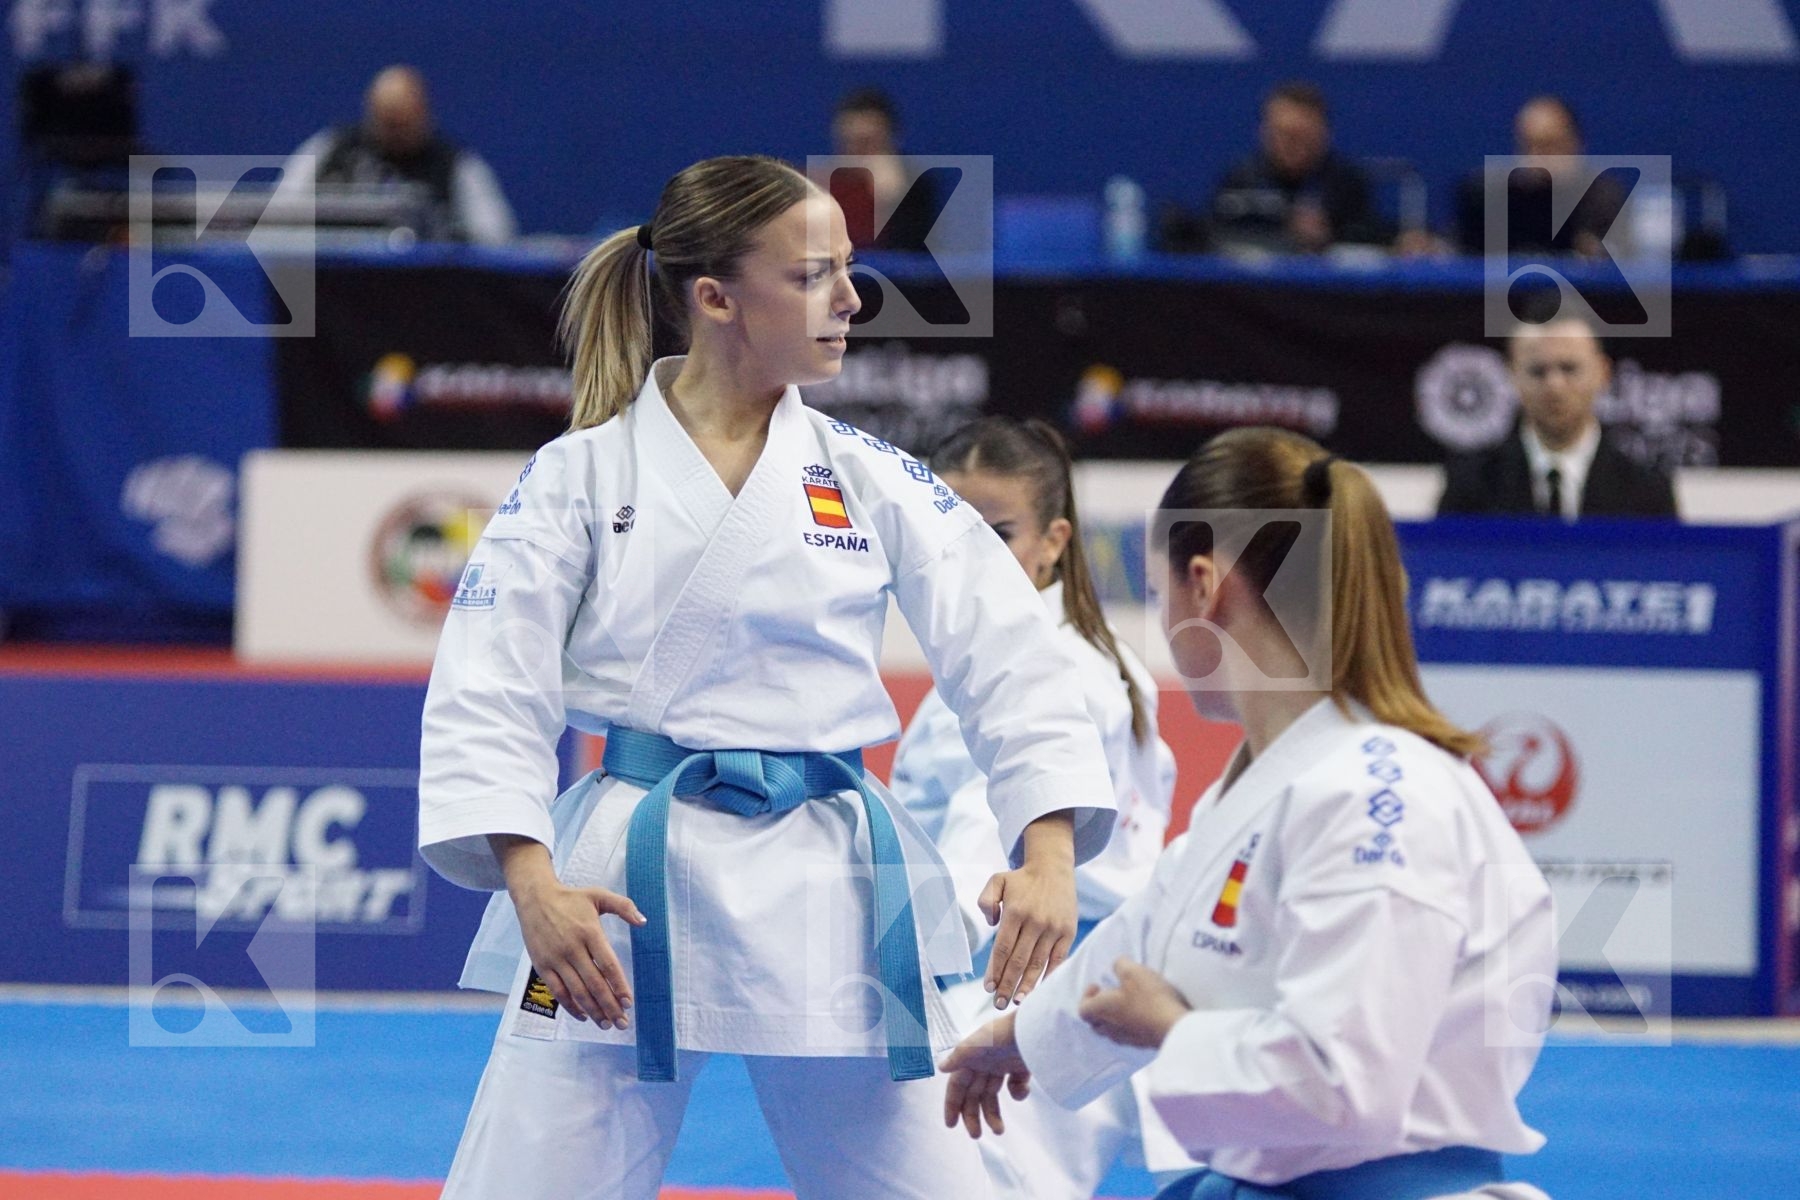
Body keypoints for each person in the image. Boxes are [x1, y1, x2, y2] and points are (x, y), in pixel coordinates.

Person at [418, 155, 1118, 1200]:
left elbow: (1012, 653)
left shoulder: (869, 474)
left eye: (848, 269)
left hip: (835, 875)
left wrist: (1051, 851)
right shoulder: (580, 475)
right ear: (715, 298)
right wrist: (530, 881)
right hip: (619, 885)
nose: (850, 297)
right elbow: (489, 685)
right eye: (813, 275)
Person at [941, 428, 1558, 1200]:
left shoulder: (1380, 798)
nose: (1164, 624)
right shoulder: (1264, 785)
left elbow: (1347, 1084)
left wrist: (1171, 1031)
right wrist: (1016, 1040)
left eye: (1160, 593)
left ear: (1202, 585)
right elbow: (1143, 945)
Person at [888, 416, 1180, 1199]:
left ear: (1054, 541)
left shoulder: (1049, 674)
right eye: (946, 532)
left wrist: (910, 989)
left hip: (1012, 978)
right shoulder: (1098, 660)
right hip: (1068, 987)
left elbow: (983, 866)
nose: (967, 558)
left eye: (997, 534)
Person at [1438, 300, 1678, 519]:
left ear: (1603, 373)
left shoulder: (1647, 491)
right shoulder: (1470, 487)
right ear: (1512, 376)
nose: (1554, 387)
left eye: (1569, 368)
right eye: (1538, 371)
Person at [281, 64, 517, 244]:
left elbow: (497, 236)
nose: (395, 133)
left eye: (403, 124)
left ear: (423, 115)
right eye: (387, 122)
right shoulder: (332, 149)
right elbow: (278, 215)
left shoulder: (455, 164)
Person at [1209, 81, 1390, 254]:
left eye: (1303, 135)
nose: (1292, 145)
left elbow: (1371, 243)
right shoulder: (1241, 180)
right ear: (1264, 133)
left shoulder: (1346, 183)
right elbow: (1215, 239)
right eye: (1283, 134)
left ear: (1323, 134)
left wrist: (1328, 236)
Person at [1455, 95, 1623, 258]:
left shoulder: (1602, 198)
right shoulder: (1496, 199)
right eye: (1528, 146)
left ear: (1575, 144)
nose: (1537, 160)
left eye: (1550, 146)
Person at [826, 86, 939, 251]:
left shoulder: (917, 187)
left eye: (868, 142)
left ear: (891, 140)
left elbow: (914, 255)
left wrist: (890, 198)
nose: (858, 153)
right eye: (850, 142)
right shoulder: (822, 188)